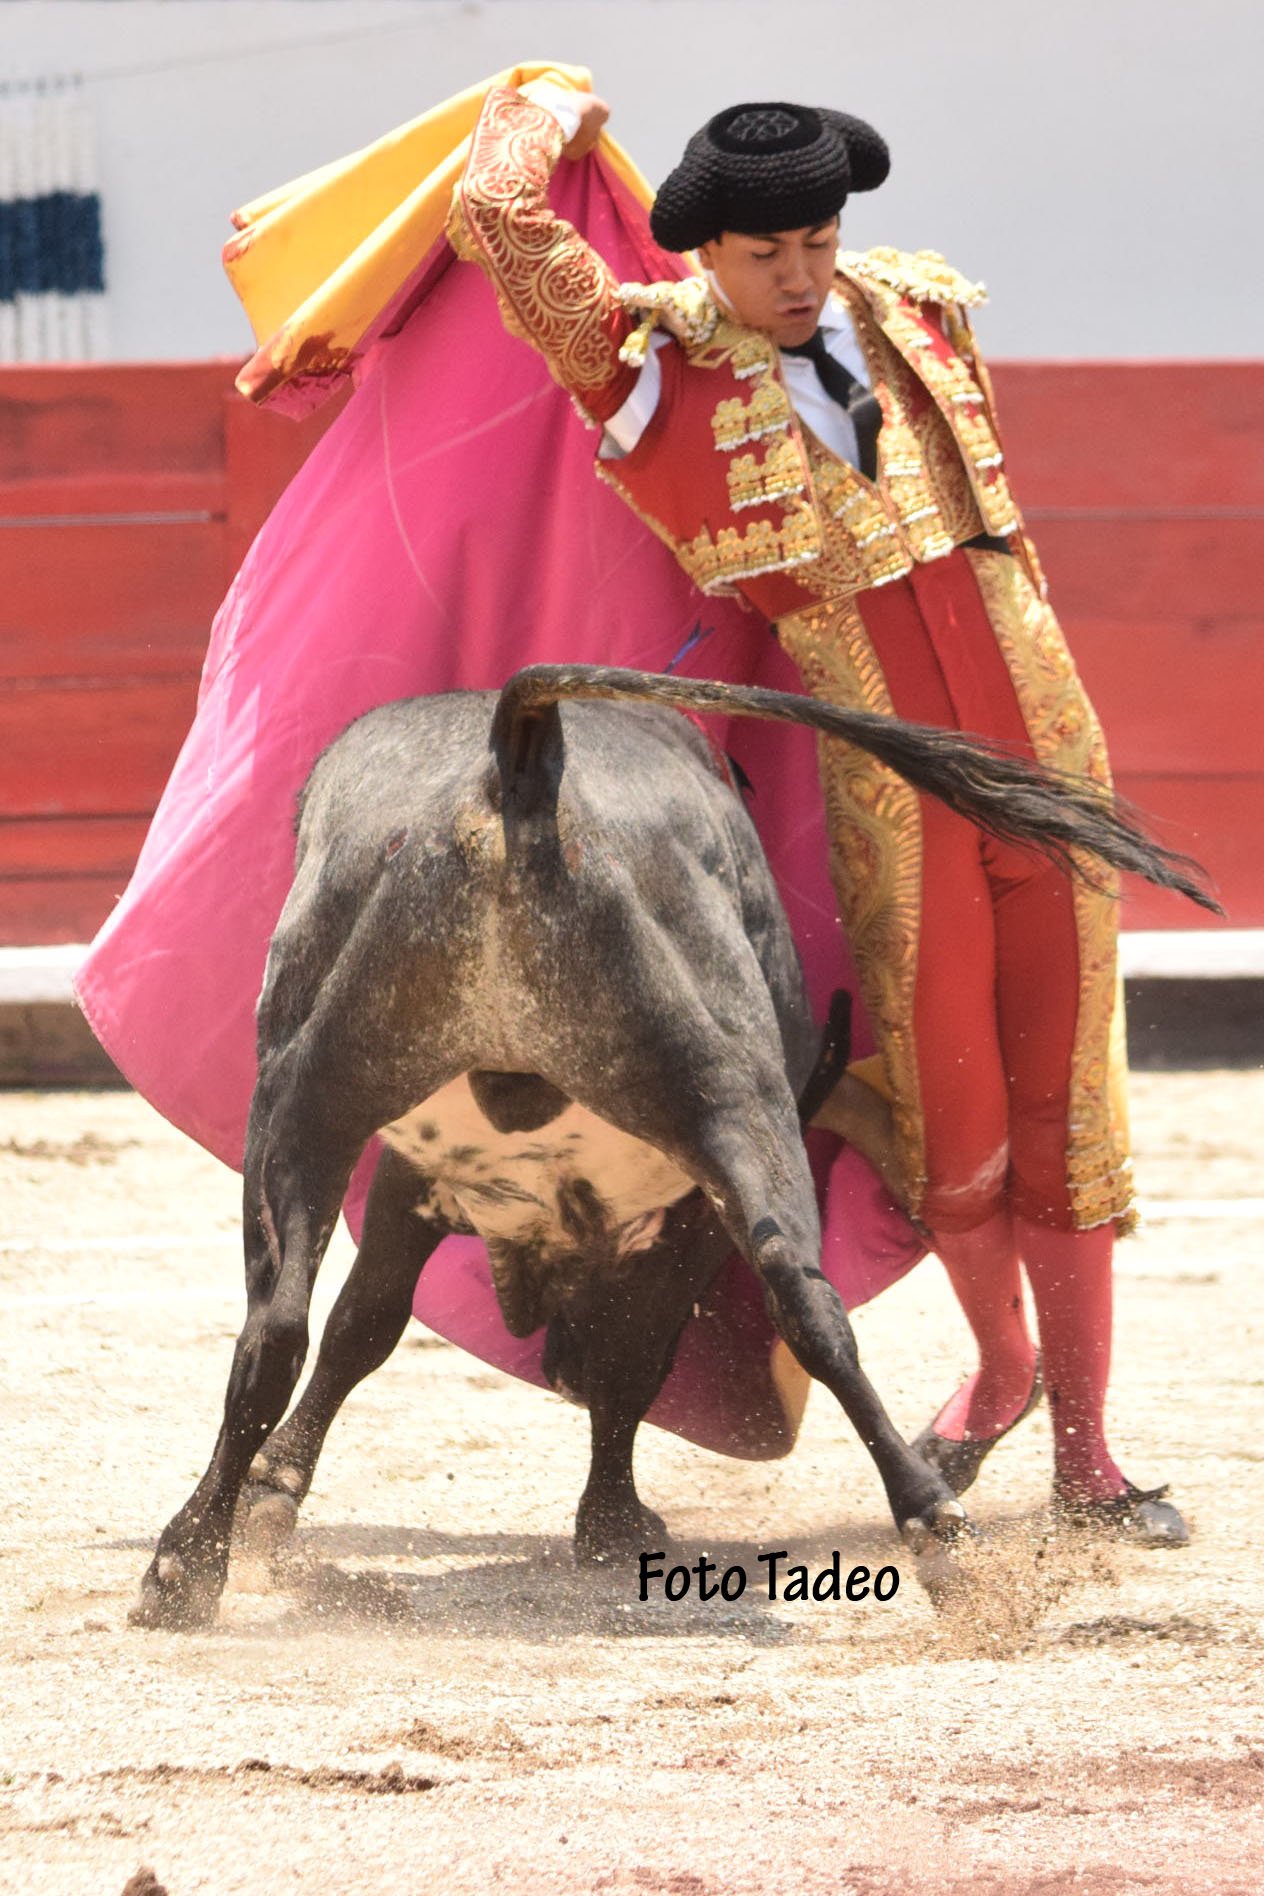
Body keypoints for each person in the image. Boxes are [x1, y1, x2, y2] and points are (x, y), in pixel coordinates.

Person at [444, 76, 1188, 1543]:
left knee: (1070, 1105)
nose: (800, 273)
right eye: (767, 251)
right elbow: (492, 215)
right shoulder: (653, 367)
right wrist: (541, 101)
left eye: (819, 239)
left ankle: (1090, 1459)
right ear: (706, 257)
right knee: (958, 1107)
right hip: (899, 802)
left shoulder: (914, 307)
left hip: (1049, 770)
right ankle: (998, 1373)